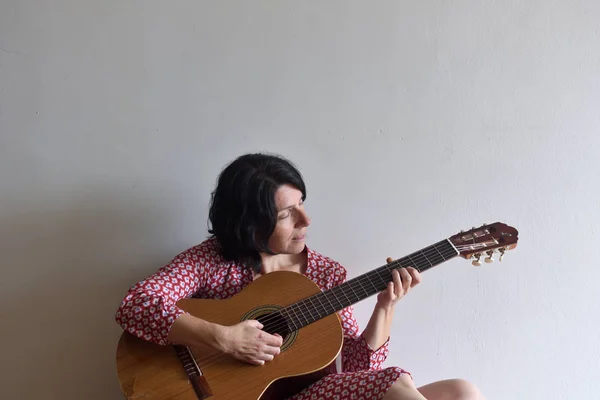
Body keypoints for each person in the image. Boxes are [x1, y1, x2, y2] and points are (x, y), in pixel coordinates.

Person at [115, 153, 485, 400]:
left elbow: (353, 371)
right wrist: (223, 338)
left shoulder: (325, 273)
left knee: (460, 391)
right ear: (248, 223)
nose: (306, 221)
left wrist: (385, 307)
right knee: (396, 382)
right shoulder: (210, 261)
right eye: (286, 214)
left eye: (302, 204)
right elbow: (136, 305)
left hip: (316, 394)